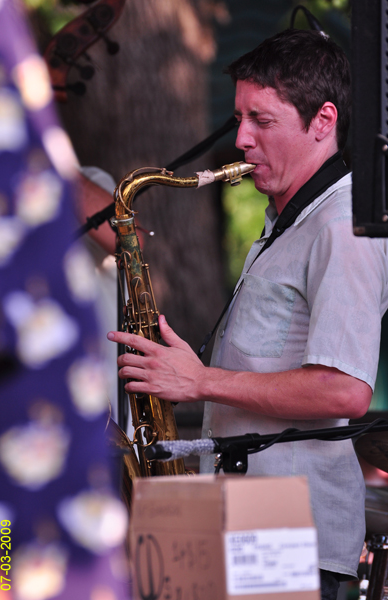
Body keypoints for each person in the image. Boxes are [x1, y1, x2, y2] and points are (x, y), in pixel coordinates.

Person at [107, 29, 388, 600]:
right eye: (239, 118)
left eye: (262, 120)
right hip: (242, 511)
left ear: (322, 120)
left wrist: (202, 380)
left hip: (290, 528)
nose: (241, 139)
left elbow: (345, 392)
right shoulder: (287, 219)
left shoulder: (341, 228)